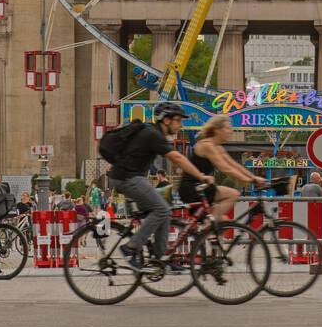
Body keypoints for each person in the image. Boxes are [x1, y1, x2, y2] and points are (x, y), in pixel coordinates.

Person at [109, 103, 213, 270]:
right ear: (166, 120)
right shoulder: (153, 135)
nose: (181, 125)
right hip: (127, 178)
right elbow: (177, 158)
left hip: (130, 177)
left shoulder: (153, 133)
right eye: (178, 120)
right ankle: (130, 247)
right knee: (162, 209)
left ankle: (162, 256)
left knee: (164, 210)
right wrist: (200, 176)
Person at [178, 115, 257, 224]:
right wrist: (249, 180)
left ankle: (208, 232)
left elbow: (234, 165)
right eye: (228, 128)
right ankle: (208, 226)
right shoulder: (207, 145)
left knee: (223, 221)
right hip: (192, 188)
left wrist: (254, 177)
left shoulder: (217, 147)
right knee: (233, 194)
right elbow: (225, 169)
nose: (230, 131)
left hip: (201, 187)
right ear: (217, 130)